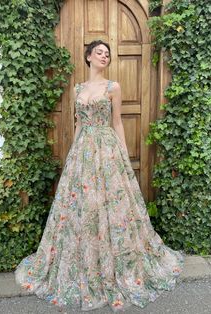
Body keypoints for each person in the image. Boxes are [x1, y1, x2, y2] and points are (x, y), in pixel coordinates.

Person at [15, 40, 184, 312]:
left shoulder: (112, 87)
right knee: (83, 208)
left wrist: (125, 157)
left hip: (107, 150)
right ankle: (85, 263)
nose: (105, 56)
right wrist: (73, 155)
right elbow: (79, 123)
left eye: (107, 54)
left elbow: (117, 121)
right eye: (99, 52)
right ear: (88, 57)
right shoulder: (77, 89)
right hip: (83, 152)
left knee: (112, 206)